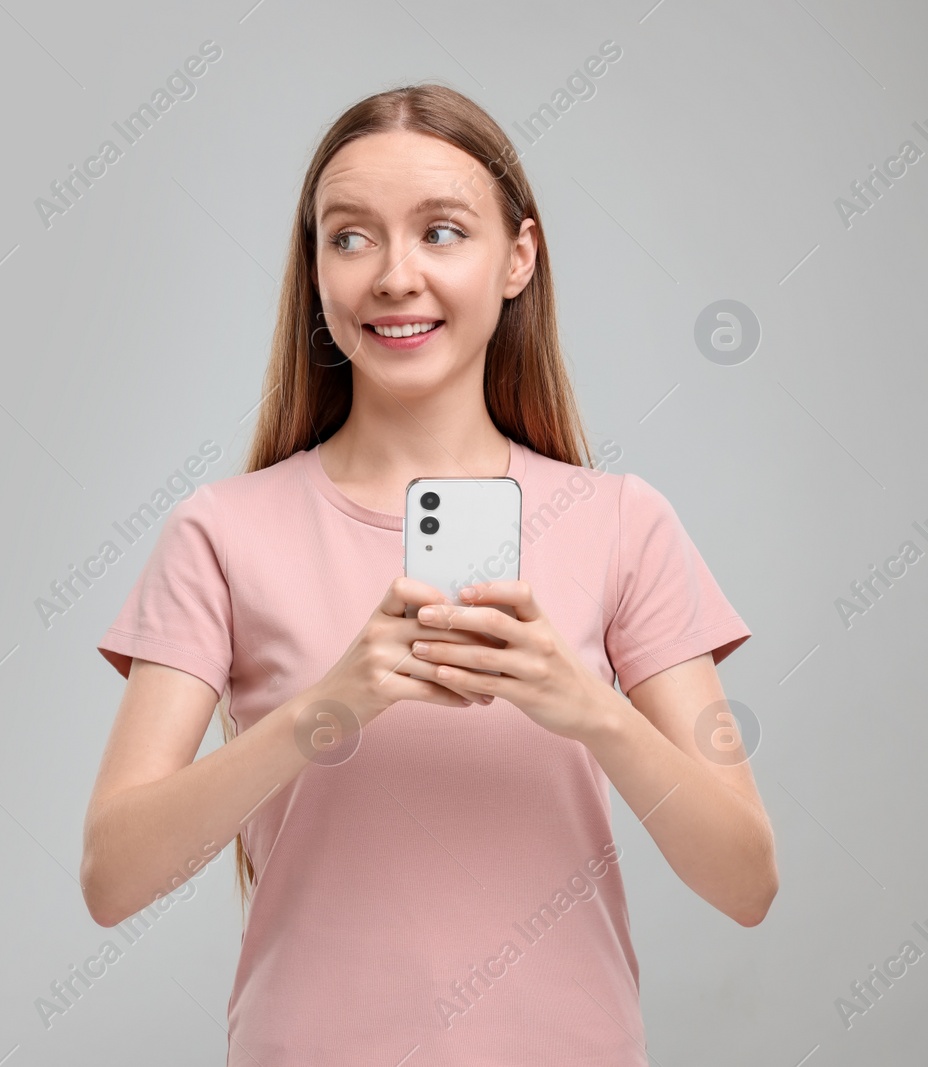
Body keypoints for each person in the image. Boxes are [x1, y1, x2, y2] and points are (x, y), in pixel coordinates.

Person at [80, 83, 777, 1066]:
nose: (394, 275)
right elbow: (113, 873)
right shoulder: (219, 532)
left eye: (442, 232)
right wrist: (331, 705)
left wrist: (586, 707)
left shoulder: (623, 522)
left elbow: (745, 878)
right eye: (351, 237)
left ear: (517, 258)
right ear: (314, 267)